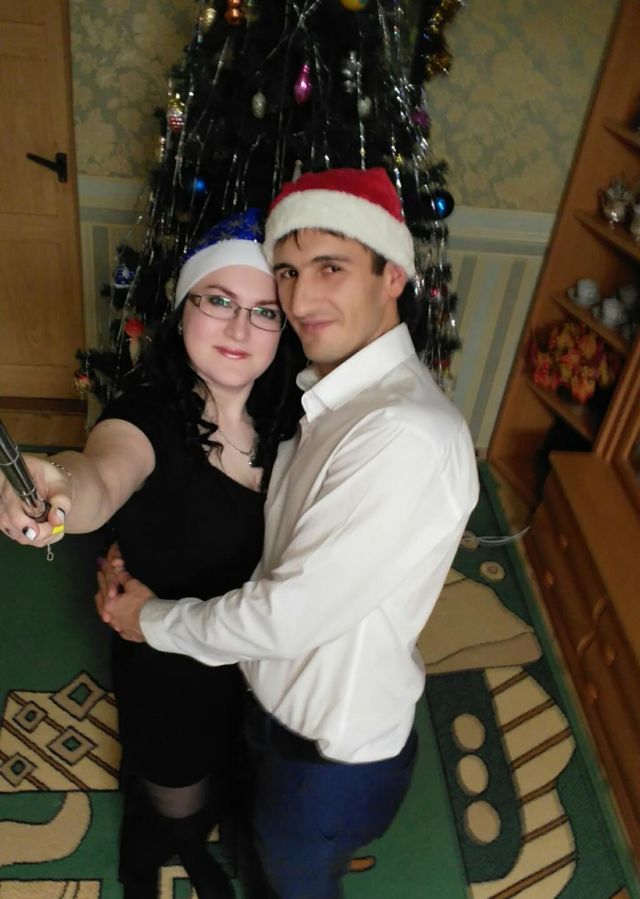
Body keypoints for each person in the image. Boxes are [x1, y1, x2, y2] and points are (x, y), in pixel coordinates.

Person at [101, 167, 480, 899]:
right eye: (289, 273)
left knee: (292, 879)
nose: (300, 301)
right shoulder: (329, 398)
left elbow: (287, 615)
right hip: (271, 713)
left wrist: (147, 619)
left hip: (326, 759)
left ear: (392, 274)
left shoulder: (402, 435)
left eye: (331, 267)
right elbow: (115, 468)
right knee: (254, 844)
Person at [0, 209, 303, 899]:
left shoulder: (296, 415)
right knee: (174, 796)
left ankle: (197, 840)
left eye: (263, 312)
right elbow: (101, 474)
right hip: (169, 660)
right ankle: (149, 861)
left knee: (242, 774)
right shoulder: (147, 414)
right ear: (184, 306)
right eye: (218, 300)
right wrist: (60, 489)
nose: (239, 328)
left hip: (261, 650)